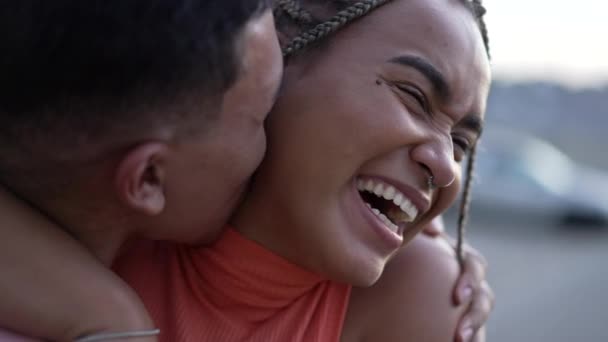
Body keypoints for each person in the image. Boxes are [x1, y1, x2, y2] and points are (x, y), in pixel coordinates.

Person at [0, 0, 492, 341]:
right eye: (413, 95)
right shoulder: (109, 195)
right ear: (275, 60)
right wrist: (105, 316)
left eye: (462, 144)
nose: (447, 167)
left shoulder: (420, 295)